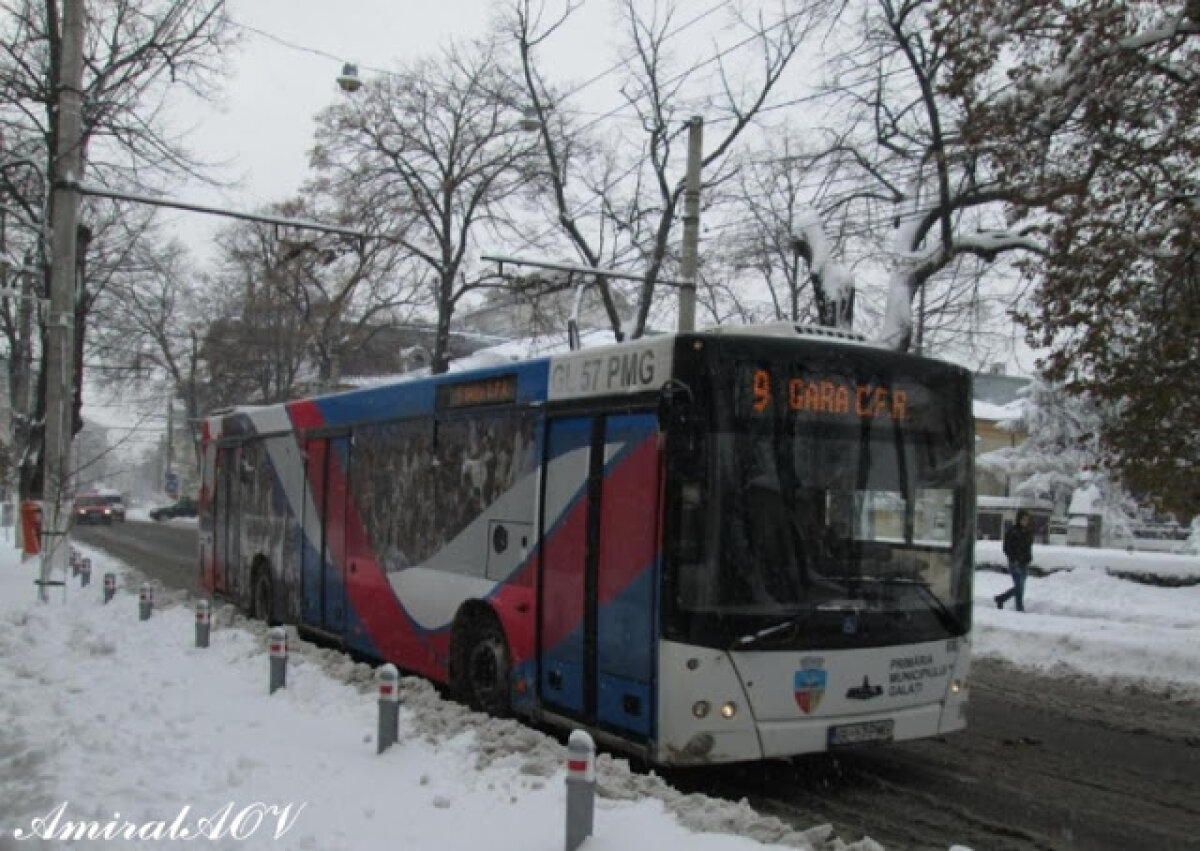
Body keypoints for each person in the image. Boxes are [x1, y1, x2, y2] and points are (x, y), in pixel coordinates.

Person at [996, 510, 1034, 611]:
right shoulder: (1012, 531)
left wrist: (1029, 558)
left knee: (1020, 587)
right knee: (1019, 586)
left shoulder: (1028, 532)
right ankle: (1019, 607)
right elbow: (1006, 547)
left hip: (1024, 563)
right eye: (1023, 519)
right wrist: (1013, 559)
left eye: (1027, 520)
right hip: (1015, 563)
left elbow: (1028, 547)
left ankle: (1001, 598)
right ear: (1019, 519)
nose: (1025, 522)